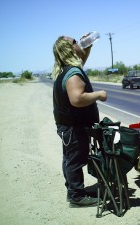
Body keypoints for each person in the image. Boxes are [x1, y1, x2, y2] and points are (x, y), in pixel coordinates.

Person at [52, 34, 107, 207]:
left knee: (70, 158)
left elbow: (80, 59)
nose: (78, 42)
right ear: (69, 49)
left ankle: (74, 191)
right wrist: (99, 94)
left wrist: (88, 47)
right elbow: (77, 99)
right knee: (75, 160)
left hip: (68, 126)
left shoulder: (66, 69)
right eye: (75, 42)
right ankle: (77, 197)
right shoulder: (73, 74)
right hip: (74, 127)